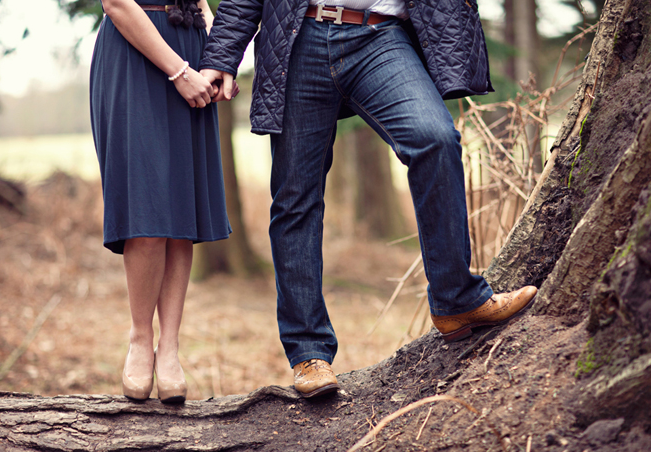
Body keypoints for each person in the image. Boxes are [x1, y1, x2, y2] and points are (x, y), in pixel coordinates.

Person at [199, 0, 537, 399]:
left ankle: (457, 300)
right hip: (299, 35)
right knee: (295, 197)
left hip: (381, 39)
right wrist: (221, 55)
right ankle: (308, 353)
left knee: (434, 139)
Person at [90, 0, 236, 403]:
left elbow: (203, 3)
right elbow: (116, 3)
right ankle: (140, 338)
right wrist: (178, 71)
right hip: (134, 53)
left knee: (178, 211)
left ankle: (169, 346)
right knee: (146, 208)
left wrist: (221, 59)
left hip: (190, 46)